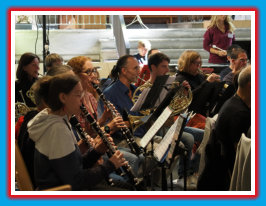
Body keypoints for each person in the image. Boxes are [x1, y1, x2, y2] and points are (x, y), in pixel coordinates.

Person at [27, 73, 127, 191]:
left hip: (66, 187)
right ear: (63, 97)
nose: (82, 101)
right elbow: (76, 182)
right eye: (78, 95)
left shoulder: (56, 119)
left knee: (126, 187)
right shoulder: (57, 129)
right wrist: (110, 165)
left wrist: (96, 152)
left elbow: (73, 168)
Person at [197, 65, 251, 191]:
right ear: (250, 85)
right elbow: (240, 161)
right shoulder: (239, 114)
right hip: (223, 184)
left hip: (214, 176)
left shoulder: (233, 102)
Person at [176, 50, 222, 117]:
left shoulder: (199, 76)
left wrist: (215, 84)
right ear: (187, 63)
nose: (198, 66)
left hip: (202, 112)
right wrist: (207, 83)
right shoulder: (180, 79)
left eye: (199, 63)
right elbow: (190, 98)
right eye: (196, 63)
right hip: (190, 115)